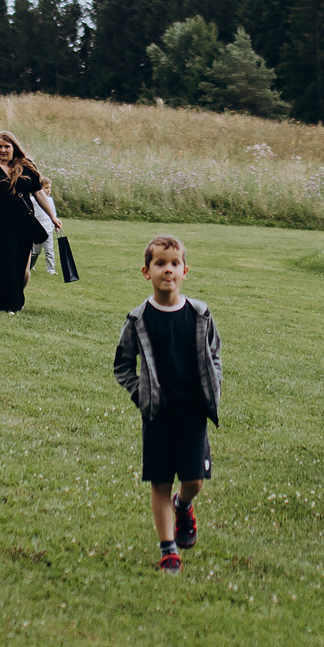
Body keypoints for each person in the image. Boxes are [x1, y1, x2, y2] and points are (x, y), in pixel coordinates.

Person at [113, 235, 221, 572]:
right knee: (160, 481)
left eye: (174, 264)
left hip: (192, 413)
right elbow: (122, 365)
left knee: (194, 481)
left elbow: (214, 355)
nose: (168, 270)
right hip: (158, 414)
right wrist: (141, 394)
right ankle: (168, 548)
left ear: (185, 270)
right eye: (160, 263)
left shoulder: (199, 314)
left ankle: (183, 505)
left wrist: (212, 389)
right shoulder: (138, 319)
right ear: (146, 272)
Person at [0, 131, 50, 312]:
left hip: (24, 223)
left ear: (14, 148)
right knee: (5, 262)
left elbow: (38, 193)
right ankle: (6, 303)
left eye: (6, 146)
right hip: (1, 223)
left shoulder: (26, 168)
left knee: (20, 265)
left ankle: (16, 301)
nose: (3, 150)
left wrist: (52, 217)